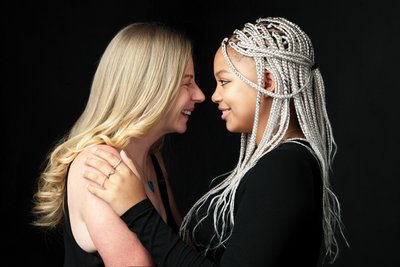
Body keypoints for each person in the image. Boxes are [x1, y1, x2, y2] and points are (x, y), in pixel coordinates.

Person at [83, 17, 347, 266]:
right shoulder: (280, 162)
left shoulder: (285, 167)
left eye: (224, 82)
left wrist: (136, 209)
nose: (212, 96)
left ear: (268, 81)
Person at [32, 21, 205, 267]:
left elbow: (178, 249)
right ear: (150, 87)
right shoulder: (96, 166)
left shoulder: (151, 158)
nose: (199, 95)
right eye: (187, 82)